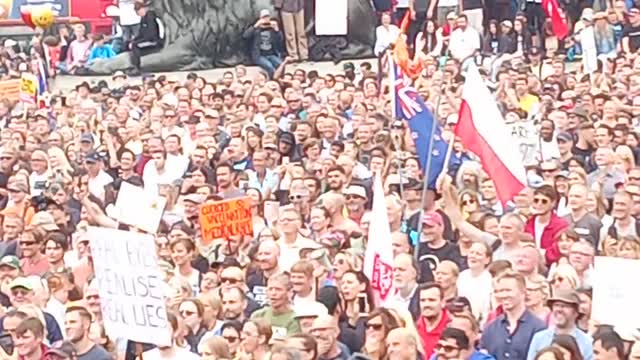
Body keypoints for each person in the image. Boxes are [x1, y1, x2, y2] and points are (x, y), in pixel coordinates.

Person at [480, 271, 546, 360]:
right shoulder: (490, 328)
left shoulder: (538, 328)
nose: (503, 295)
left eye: (508, 290)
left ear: (523, 293)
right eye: (500, 291)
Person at [526, 290, 594, 360]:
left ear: (576, 312)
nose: (559, 309)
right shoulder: (539, 338)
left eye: (565, 306)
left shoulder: (587, 342)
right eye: (556, 305)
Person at [243, 9, 285, 78]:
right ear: (260, 18)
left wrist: (277, 30)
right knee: (270, 67)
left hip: (271, 54)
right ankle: (273, 81)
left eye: (267, 17)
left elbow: (280, 40)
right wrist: (256, 26)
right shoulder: (256, 29)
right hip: (259, 55)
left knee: (281, 64)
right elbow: (245, 36)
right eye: (264, 17)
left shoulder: (272, 28)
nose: (266, 19)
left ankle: (281, 80)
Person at [128, 0, 164, 75]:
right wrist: (133, 40)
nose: (138, 14)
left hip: (154, 40)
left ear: (142, 9)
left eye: (138, 12)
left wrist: (137, 42)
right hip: (146, 39)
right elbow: (140, 33)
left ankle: (137, 67)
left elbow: (151, 34)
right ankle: (132, 65)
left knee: (135, 46)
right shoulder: (143, 19)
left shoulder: (150, 17)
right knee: (130, 43)